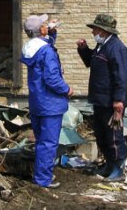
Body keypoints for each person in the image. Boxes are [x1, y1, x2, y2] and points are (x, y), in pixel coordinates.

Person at [76, 13, 127, 182]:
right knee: (101, 135)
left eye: (95, 29)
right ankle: (108, 164)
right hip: (99, 100)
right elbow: (91, 62)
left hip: (111, 102)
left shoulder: (117, 49)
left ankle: (118, 168)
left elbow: (121, 77)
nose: (93, 33)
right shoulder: (102, 47)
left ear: (103, 31)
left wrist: (118, 100)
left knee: (114, 136)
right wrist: (84, 50)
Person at [20, 14, 73, 189]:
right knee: (48, 143)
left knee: (41, 141)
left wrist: (52, 35)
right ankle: (43, 179)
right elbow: (52, 79)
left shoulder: (29, 48)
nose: (46, 25)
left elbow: (43, 49)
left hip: (37, 102)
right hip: (50, 103)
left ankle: (42, 174)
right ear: (41, 30)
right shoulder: (47, 51)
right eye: (44, 24)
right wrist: (67, 89)